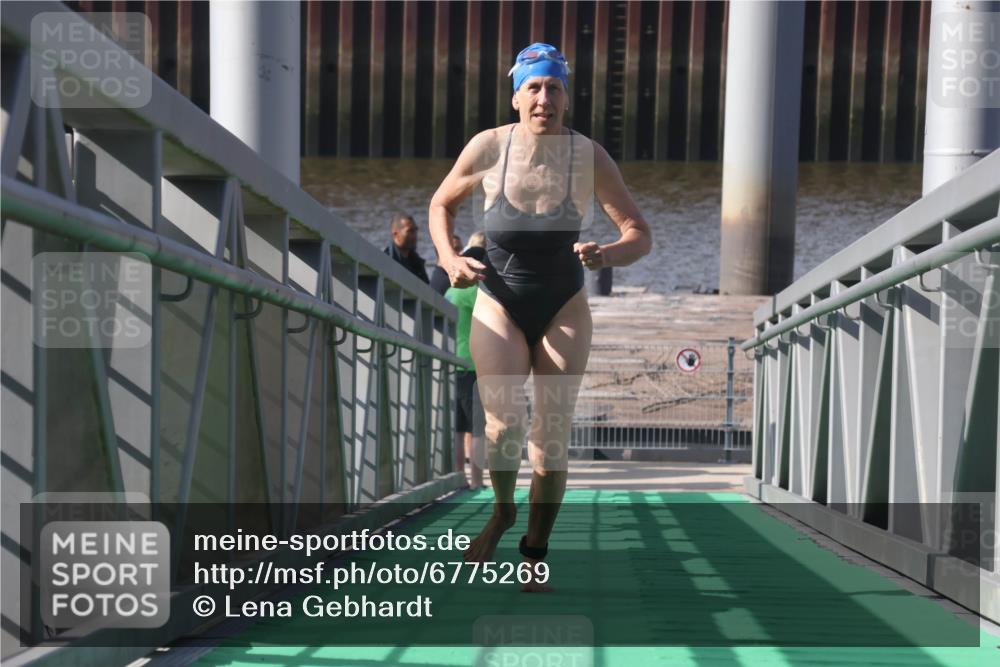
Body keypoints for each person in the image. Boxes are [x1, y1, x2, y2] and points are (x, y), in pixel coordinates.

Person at [428, 43, 651, 591]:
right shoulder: (488, 147)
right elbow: (440, 205)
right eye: (534, 88)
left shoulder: (589, 156)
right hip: (498, 301)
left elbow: (639, 235)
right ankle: (503, 510)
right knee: (504, 426)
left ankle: (535, 548)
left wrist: (608, 255)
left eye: (554, 88)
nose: (544, 98)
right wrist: (449, 258)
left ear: (567, 97)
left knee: (550, 442)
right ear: (516, 97)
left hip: (563, 303)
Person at [445, 233, 488, 489]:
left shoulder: (451, 291)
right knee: (478, 428)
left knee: (459, 428)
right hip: (473, 364)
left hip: (452, 361)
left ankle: (458, 476)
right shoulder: (475, 292)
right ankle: (478, 481)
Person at [383, 213, 429, 283]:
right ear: (395, 234)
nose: (414, 236)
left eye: (415, 230)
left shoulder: (417, 262)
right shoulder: (386, 261)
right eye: (410, 231)